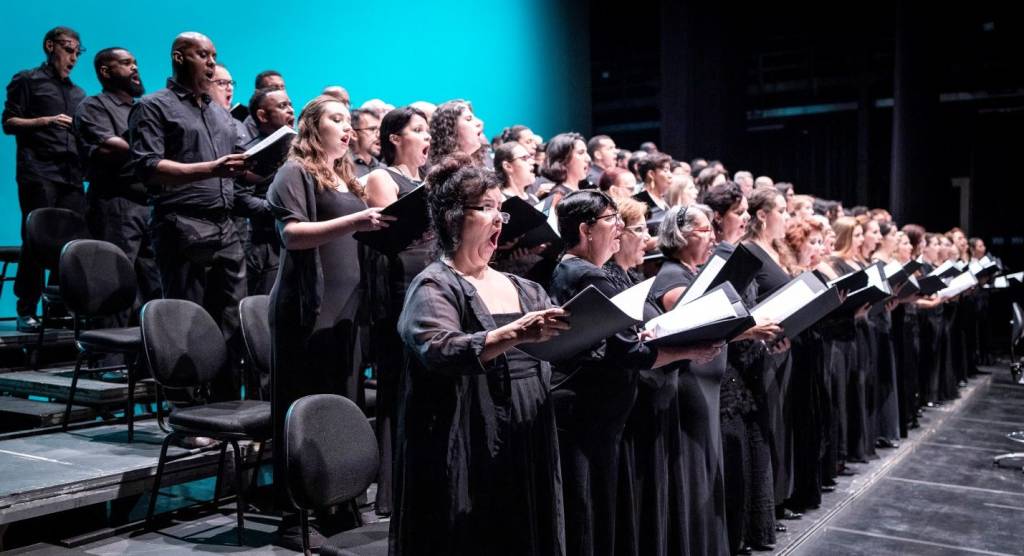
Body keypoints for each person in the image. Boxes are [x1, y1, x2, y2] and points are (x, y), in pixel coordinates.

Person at [390, 154, 569, 555]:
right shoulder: (435, 285)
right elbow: (438, 349)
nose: (499, 219)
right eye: (486, 208)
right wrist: (512, 333)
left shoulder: (524, 287)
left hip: (528, 428)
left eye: (501, 210)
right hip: (468, 429)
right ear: (453, 218)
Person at [548, 190, 720, 556]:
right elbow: (629, 352)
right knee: (589, 516)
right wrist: (689, 350)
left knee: (590, 512)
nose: (620, 228)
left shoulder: (571, 268)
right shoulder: (591, 277)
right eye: (612, 220)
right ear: (586, 230)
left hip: (590, 411)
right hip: (588, 412)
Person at [266, 94, 389, 549]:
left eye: (349, 121)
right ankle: (293, 514)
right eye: (336, 119)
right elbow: (292, 234)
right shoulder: (293, 172)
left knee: (344, 402)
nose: (348, 128)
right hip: (308, 309)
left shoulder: (345, 177)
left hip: (347, 312)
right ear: (311, 127)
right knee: (300, 405)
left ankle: (337, 501)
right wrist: (358, 220)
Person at [127, 32, 248, 398]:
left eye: (214, 55)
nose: (211, 63)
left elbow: (244, 160)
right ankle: (187, 413)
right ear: (179, 58)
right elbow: (148, 167)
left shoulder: (217, 112)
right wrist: (211, 169)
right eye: (202, 55)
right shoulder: (153, 106)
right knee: (185, 322)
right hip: (180, 224)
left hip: (226, 227)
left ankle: (227, 409)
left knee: (231, 321)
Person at [362, 106, 432, 516]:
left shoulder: (421, 180)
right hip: (399, 290)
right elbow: (391, 237)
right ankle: (393, 490)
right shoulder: (380, 177)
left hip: (428, 284)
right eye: (418, 131)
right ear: (394, 138)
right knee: (398, 389)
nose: (426, 138)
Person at [704, 182, 778, 552]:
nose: (746, 217)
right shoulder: (716, 259)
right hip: (726, 363)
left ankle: (748, 533)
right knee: (735, 455)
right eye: (738, 212)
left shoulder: (739, 253)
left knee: (751, 450)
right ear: (718, 217)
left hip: (749, 359)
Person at [3, 26, 88, 332]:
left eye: (78, 51)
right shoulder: (27, 80)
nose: (73, 57)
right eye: (68, 49)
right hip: (38, 170)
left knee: (72, 242)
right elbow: (9, 122)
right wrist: (45, 121)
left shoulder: (79, 94)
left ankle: (57, 305)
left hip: (71, 173)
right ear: (50, 46)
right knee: (37, 239)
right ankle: (26, 307)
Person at [72, 46, 161, 318]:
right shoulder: (93, 106)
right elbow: (115, 147)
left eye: (135, 62)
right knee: (115, 284)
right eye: (125, 63)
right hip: (116, 206)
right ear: (105, 71)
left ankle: (148, 356)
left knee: (155, 286)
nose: (134, 68)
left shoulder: (142, 108)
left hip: (148, 204)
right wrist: (154, 149)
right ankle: (108, 359)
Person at [741, 186, 799, 522]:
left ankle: (780, 497)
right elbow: (749, 302)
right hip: (761, 349)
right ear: (762, 215)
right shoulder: (750, 252)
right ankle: (769, 504)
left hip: (782, 346)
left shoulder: (776, 250)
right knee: (770, 424)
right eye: (781, 210)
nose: (787, 217)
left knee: (781, 422)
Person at [235, 87, 295, 297]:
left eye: (290, 105)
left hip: (296, 245)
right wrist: (278, 210)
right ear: (262, 115)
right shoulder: (248, 153)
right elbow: (239, 198)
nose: (290, 111)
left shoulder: (299, 150)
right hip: (267, 248)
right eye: (282, 106)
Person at [538, 132, 590, 208]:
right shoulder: (558, 195)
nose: (588, 158)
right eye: (581, 153)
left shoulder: (580, 188)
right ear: (563, 160)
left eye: (586, 152)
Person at [428, 99, 484, 167]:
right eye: (468, 119)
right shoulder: (445, 174)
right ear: (451, 131)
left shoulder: (473, 167)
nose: (480, 123)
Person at [632, 153, 672, 236]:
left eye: (670, 170)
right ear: (651, 174)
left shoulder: (665, 199)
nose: (670, 175)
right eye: (666, 170)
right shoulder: (637, 202)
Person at [350, 108, 382, 178]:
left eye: (380, 130)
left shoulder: (384, 170)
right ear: (353, 134)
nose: (379, 135)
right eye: (372, 129)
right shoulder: (341, 168)